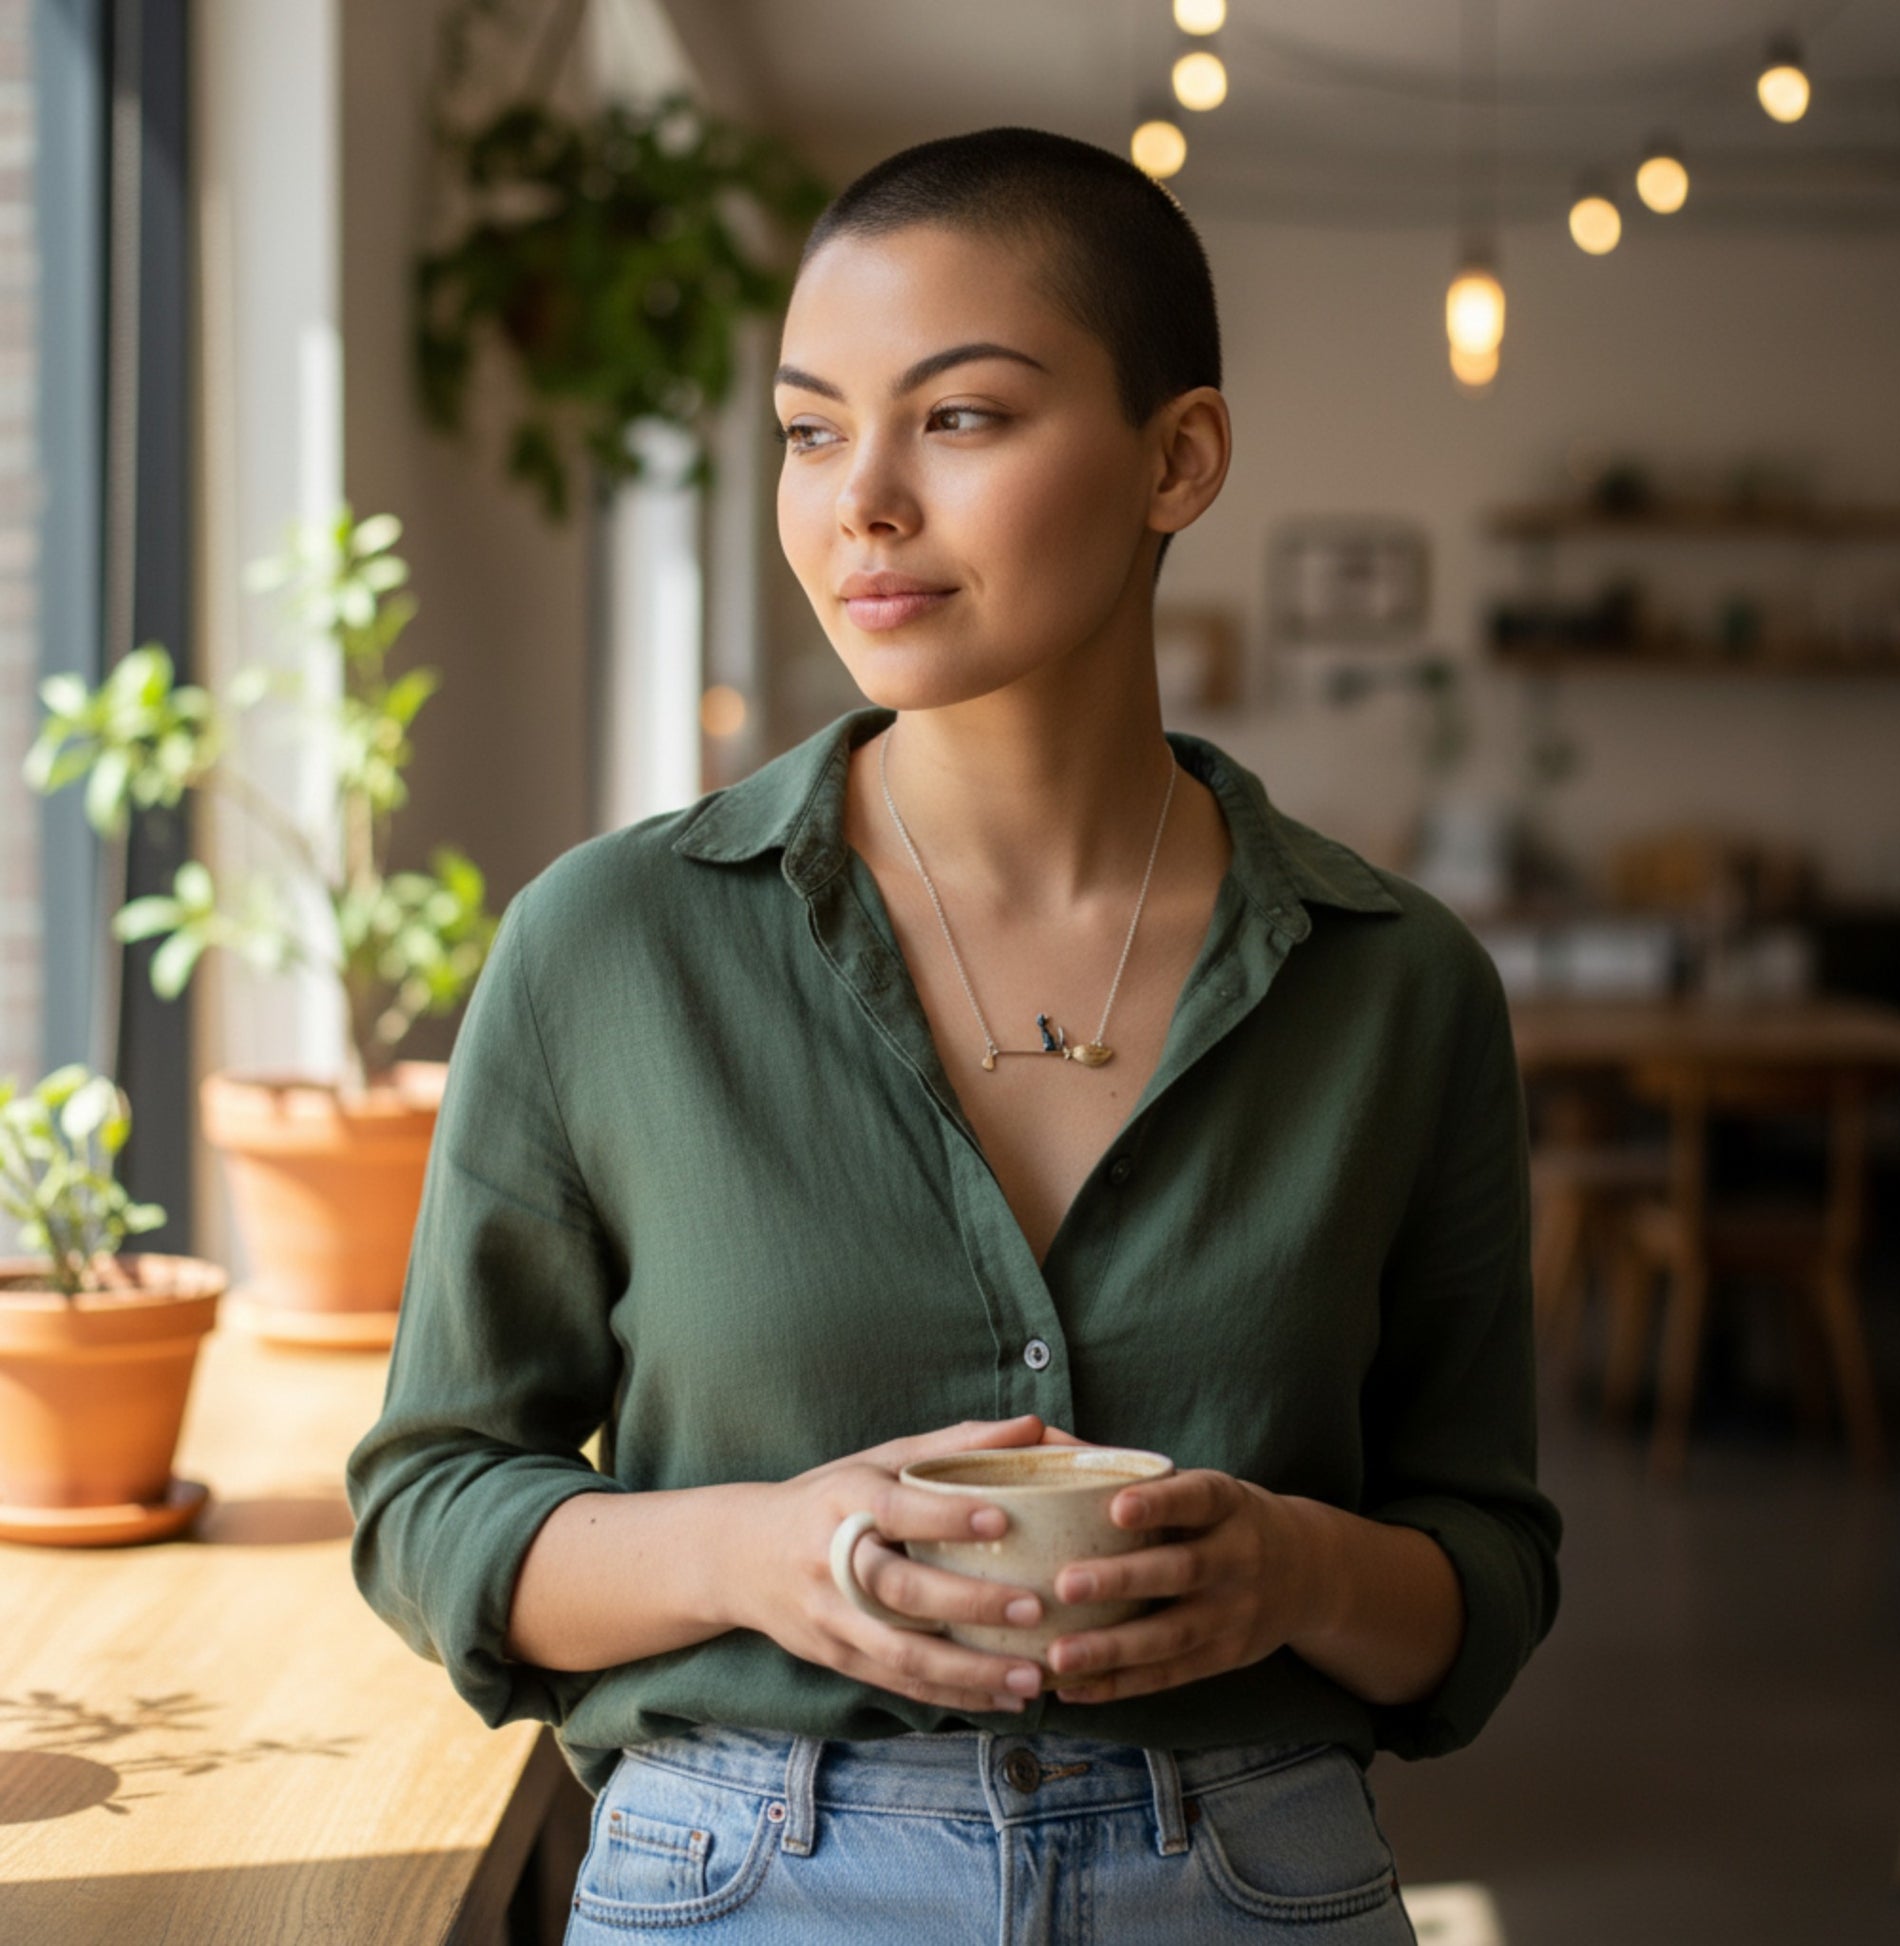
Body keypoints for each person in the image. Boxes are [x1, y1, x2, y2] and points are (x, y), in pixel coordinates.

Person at [347, 125, 1561, 1943]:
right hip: (741, 1876)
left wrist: (1294, 1569)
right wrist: (754, 1553)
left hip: (1249, 1875)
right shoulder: (607, 946)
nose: (862, 503)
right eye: (811, 427)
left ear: (1179, 457)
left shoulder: (1394, 984)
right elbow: (429, 1499)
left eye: (962, 416)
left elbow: (1484, 1567)